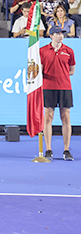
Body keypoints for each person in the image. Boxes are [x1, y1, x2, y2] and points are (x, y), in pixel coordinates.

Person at [40, 26, 75, 161]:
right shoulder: (42, 51)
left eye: (62, 33)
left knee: (65, 117)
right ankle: (48, 149)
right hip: (48, 87)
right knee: (48, 117)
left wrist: (61, 75)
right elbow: (39, 71)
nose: (61, 36)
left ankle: (66, 150)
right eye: (58, 33)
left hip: (65, 88)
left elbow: (71, 71)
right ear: (51, 36)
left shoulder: (69, 51)